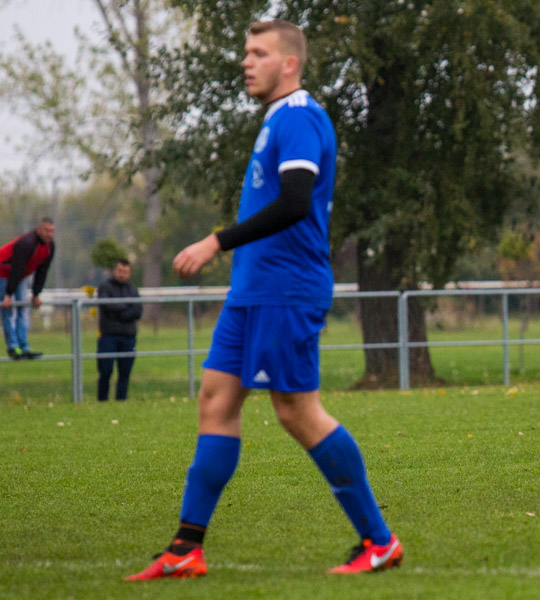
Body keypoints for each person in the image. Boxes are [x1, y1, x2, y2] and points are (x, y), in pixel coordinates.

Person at [127, 20, 402, 581]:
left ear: (289, 64)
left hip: (286, 290)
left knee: (297, 411)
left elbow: (297, 202)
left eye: (258, 53)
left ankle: (379, 541)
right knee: (215, 401)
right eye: (246, 52)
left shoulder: (299, 116)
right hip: (252, 291)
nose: (246, 62)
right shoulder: (276, 118)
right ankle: (186, 548)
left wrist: (216, 241)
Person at [0, 218, 55, 360]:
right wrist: (8, 294)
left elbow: (42, 271)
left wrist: (36, 294)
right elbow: (16, 268)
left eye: (52, 231)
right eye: (47, 231)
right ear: (39, 229)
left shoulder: (50, 246)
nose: (49, 234)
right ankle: (13, 347)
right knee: (8, 310)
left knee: (23, 309)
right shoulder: (26, 243)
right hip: (3, 272)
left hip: (20, 275)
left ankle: (24, 347)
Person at [96, 259, 143, 401]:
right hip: (108, 337)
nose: (122, 274)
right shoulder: (105, 287)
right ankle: (102, 401)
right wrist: (126, 307)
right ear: (114, 271)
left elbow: (137, 311)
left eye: (126, 272)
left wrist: (118, 312)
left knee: (125, 373)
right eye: (120, 271)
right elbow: (107, 306)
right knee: (105, 371)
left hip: (128, 337)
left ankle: (121, 400)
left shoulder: (132, 289)